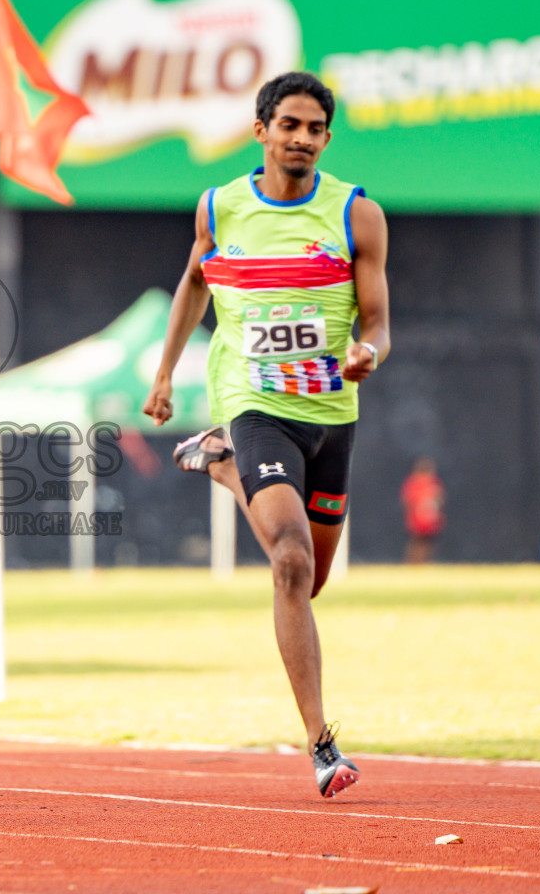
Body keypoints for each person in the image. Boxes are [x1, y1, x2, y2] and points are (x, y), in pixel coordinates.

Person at [143, 71, 390, 799]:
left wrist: (367, 352)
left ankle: (219, 464)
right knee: (287, 563)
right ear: (262, 131)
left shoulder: (356, 216)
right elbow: (194, 282)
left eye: (316, 128)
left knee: (308, 579)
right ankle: (321, 744)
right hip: (254, 403)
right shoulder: (220, 208)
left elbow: (374, 317)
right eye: (290, 125)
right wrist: (164, 374)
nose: (303, 139)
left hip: (331, 417)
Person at [400, 457, 445, 565]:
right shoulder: (415, 483)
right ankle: (414, 564)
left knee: (428, 543)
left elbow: (440, 499)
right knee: (417, 542)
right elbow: (408, 501)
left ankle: (423, 564)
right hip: (418, 519)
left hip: (430, 519)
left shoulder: (433, 483)